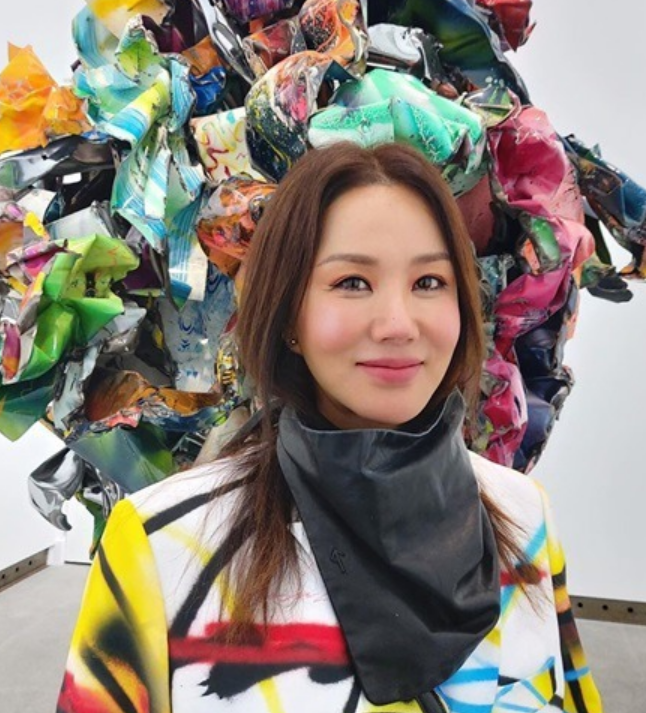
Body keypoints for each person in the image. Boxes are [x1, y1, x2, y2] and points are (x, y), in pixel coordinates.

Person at [56, 143, 602, 713]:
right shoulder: (163, 545)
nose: (398, 324)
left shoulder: (524, 516)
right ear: (289, 315)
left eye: (429, 282)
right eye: (352, 282)